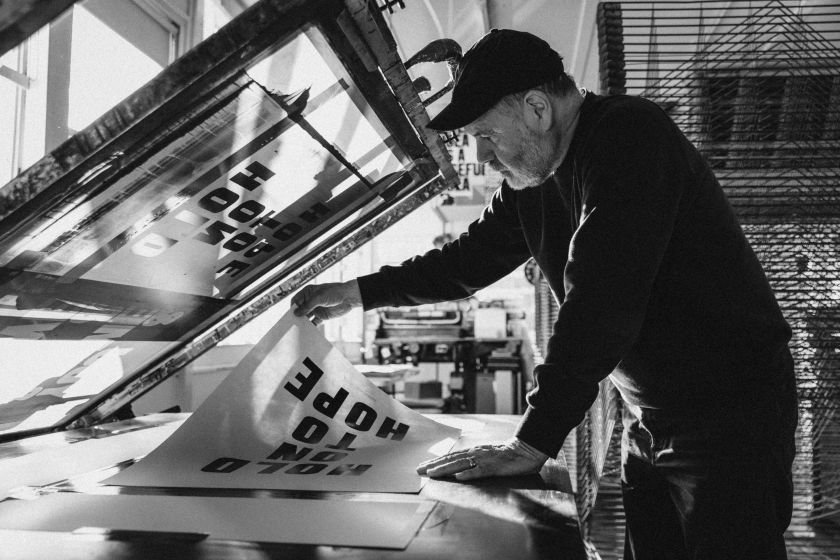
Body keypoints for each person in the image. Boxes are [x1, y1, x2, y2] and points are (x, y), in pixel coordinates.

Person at [292, 29, 798, 559]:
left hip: (730, 416)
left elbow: (602, 302)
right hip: (651, 417)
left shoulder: (630, 137)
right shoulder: (531, 181)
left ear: (537, 108)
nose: (484, 157)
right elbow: (468, 261)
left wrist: (532, 442)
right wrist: (357, 292)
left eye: (487, 135)